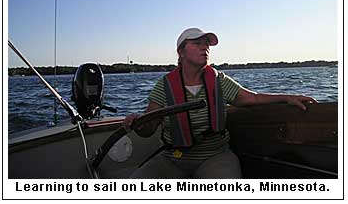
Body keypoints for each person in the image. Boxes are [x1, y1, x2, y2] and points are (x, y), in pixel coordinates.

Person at [124, 27, 317, 179]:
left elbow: (253, 98)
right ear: (180, 52)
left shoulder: (219, 80)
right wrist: (136, 123)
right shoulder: (164, 86)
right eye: (197, 43)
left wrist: (288, 97)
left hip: (215, 156)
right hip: (173, 158)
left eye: (207, 44)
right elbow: (148, 128)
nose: (205, 47)